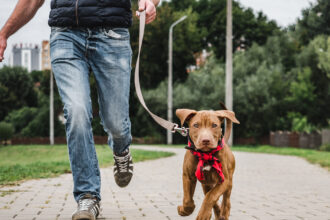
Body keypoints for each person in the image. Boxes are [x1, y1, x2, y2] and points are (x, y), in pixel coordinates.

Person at [0, 0, 159, 219]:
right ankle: (88, 197)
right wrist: (4, 33)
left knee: (116, 123)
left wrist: (151, 2)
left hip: (112, 34)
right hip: (66, 36)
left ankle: (121, 150)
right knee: (76, 112)